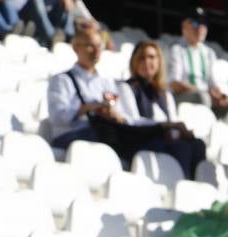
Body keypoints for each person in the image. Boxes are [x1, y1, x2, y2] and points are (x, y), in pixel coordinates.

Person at [118, 41, 208, 180]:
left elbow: (173, 121)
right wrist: (162, 126)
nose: (147, 62)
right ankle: (179, 184)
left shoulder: (164, 93)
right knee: (180, 148)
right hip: (142, 138)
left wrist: (182, 131)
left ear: (159, 61)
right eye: (142, 58)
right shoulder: (127, 87)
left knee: (197, 144)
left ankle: (196, 185)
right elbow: (131, 121)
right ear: (134, 62)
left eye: (152, 57)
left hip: (166, 138)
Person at [45, 22, 125, 150]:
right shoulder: (61, 80)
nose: (96, 51)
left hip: (101, 132)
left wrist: (111, 114)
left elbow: (120, 113)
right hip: (71, 136)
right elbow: (56, 117)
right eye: (90, 46)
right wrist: (86, 108)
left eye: (99, 46)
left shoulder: (106, 82)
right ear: (76, 47)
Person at [168, 8, 228, 116]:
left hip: (206, 96)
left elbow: (212, 83)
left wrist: (219, 95)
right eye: (196, 23)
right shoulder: (175, 49)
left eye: (204, 24)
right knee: (203, 98)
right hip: (183, 97)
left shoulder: (209, 53)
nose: (201, 27)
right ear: (184, 26)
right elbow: (174, 83)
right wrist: (203, 92)